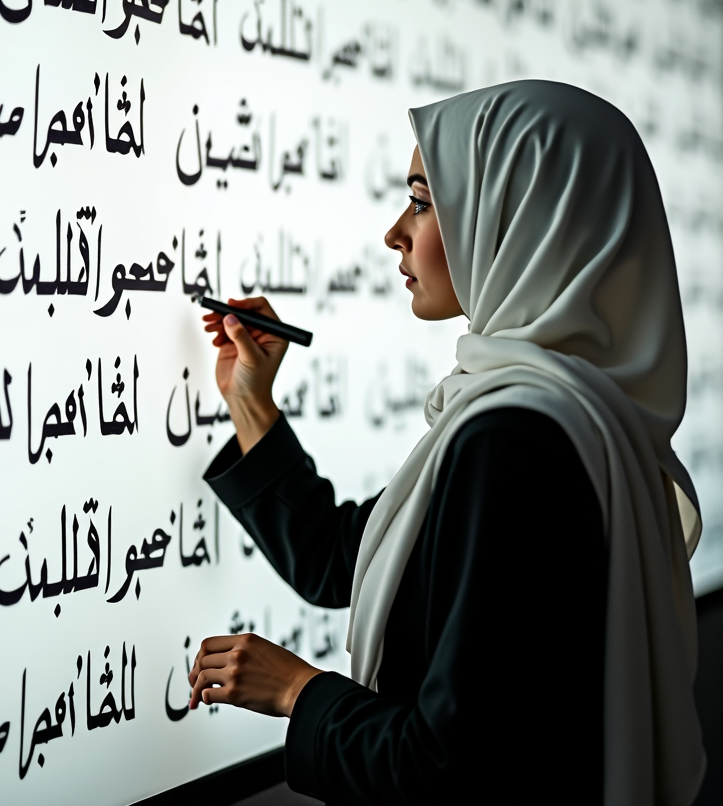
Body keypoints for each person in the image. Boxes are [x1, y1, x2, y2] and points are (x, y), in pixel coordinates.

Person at [188, 81, 705, 805]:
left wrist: (300, 693)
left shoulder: (514, 435)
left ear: (524, 218)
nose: (395, 232)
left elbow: (447, 767)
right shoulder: (578, 415)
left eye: (423, 201)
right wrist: (250, 400)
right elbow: (347, 556)